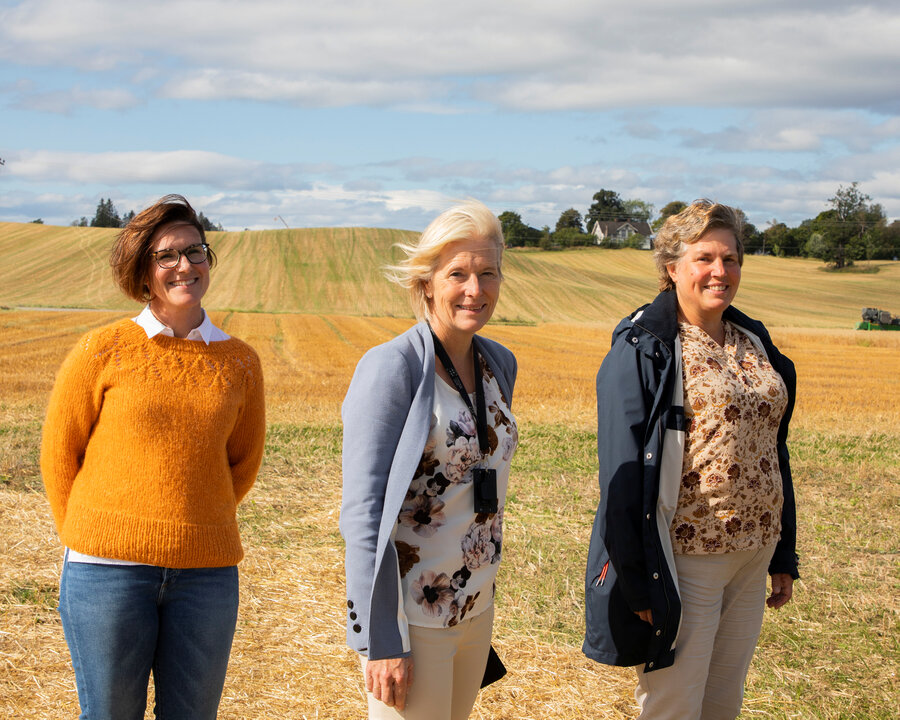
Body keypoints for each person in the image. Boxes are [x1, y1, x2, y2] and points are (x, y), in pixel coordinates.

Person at [40, 194, 266, 719]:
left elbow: (242, 462)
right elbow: (59, 451)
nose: (184, 266)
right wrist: (90, 536)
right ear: (143, 271)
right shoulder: (103, 348)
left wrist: (193, 518)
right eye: (166, 256)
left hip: (206, 575)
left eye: (195, 251)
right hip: (106, 572)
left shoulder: (239, 363)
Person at [583, 200, 799, 719]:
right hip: (687, 558)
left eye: (730, 259)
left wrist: (783, 550)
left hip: (752, 552)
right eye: (704, 258)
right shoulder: (646, 346)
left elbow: (773, 445)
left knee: (723, 701)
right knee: (675, 703)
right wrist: (636, 578)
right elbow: (621, 472)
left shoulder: (753, 339)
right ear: (671, 267)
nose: (719, 272)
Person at [340, 200, 518, 720]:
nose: (475, 289)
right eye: (458, 273)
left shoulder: (498, 362)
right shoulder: (391, 368)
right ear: (426, 284)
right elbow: (363, 515)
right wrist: (381, 639)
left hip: (475, 606)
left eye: (487, 273)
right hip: (412, 617)